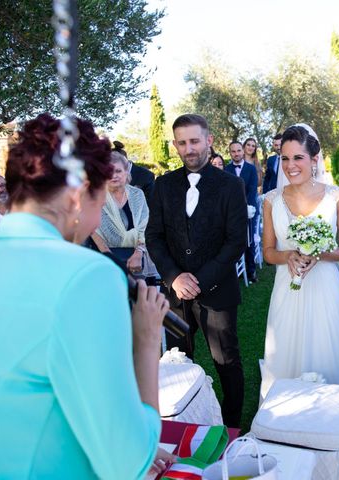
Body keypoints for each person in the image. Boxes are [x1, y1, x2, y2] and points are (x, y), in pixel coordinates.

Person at [0, 113, 171, 478]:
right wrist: (146, 341)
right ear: (79, 196)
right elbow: (127, 461)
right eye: (100, 200)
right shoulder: (88, 276)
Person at [146, 114, 247, 428]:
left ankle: (230, 427)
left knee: (225, 361)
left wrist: (199, 280)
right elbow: (154, 236)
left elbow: (235, 241)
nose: (189, 148)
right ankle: (184, 424)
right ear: (175, 144)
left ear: (209, 140)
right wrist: (174, 277)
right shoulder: (163, 185)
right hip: (175, 296)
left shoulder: (232, 185)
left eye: (194, 141)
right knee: (177, 362)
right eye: (182, 142)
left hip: (217, 292)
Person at [260, 124, 339, 402]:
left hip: (325, 289)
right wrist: (289, 256)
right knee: (284, 351)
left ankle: (328, 414)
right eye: (285, 158)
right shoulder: (271, 200)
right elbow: (269, 252)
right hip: (287, 289)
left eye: (298, 158)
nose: (290, 165)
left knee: (326, 349)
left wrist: (319, 253)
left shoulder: (336, 197)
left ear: (314, 159)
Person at [90, 152, 150, 275]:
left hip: (137, 259)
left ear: (126, 172)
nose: (114, 176)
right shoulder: (96, 197)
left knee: (138, 293)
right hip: (104, 258)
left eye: (118, 171)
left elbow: (145, 225)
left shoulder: (137, 194)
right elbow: (93, 229)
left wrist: (138, 254)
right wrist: (109, 256)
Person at [225, 140, 259, 284]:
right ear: (230, 153)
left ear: (243, 151)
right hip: (232, 213)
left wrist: (247, 209)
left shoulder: (251, 169)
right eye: (233, 151)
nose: (236, 153)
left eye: (239, 150)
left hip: (248, 211)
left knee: (249, 242)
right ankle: (237, 271)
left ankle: (251, 271)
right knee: (234, 242)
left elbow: (252, 191)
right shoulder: (226, 169)